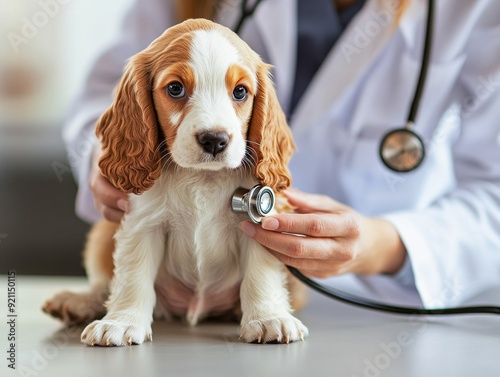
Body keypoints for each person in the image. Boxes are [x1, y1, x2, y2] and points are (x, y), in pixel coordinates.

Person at [64, 0, 500, 310]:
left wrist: (385, 245)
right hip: (170, 289)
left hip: (374, 306)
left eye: (239, 92)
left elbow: (493, 195)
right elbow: (111, 89)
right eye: (177, 89)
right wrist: (112, 155)